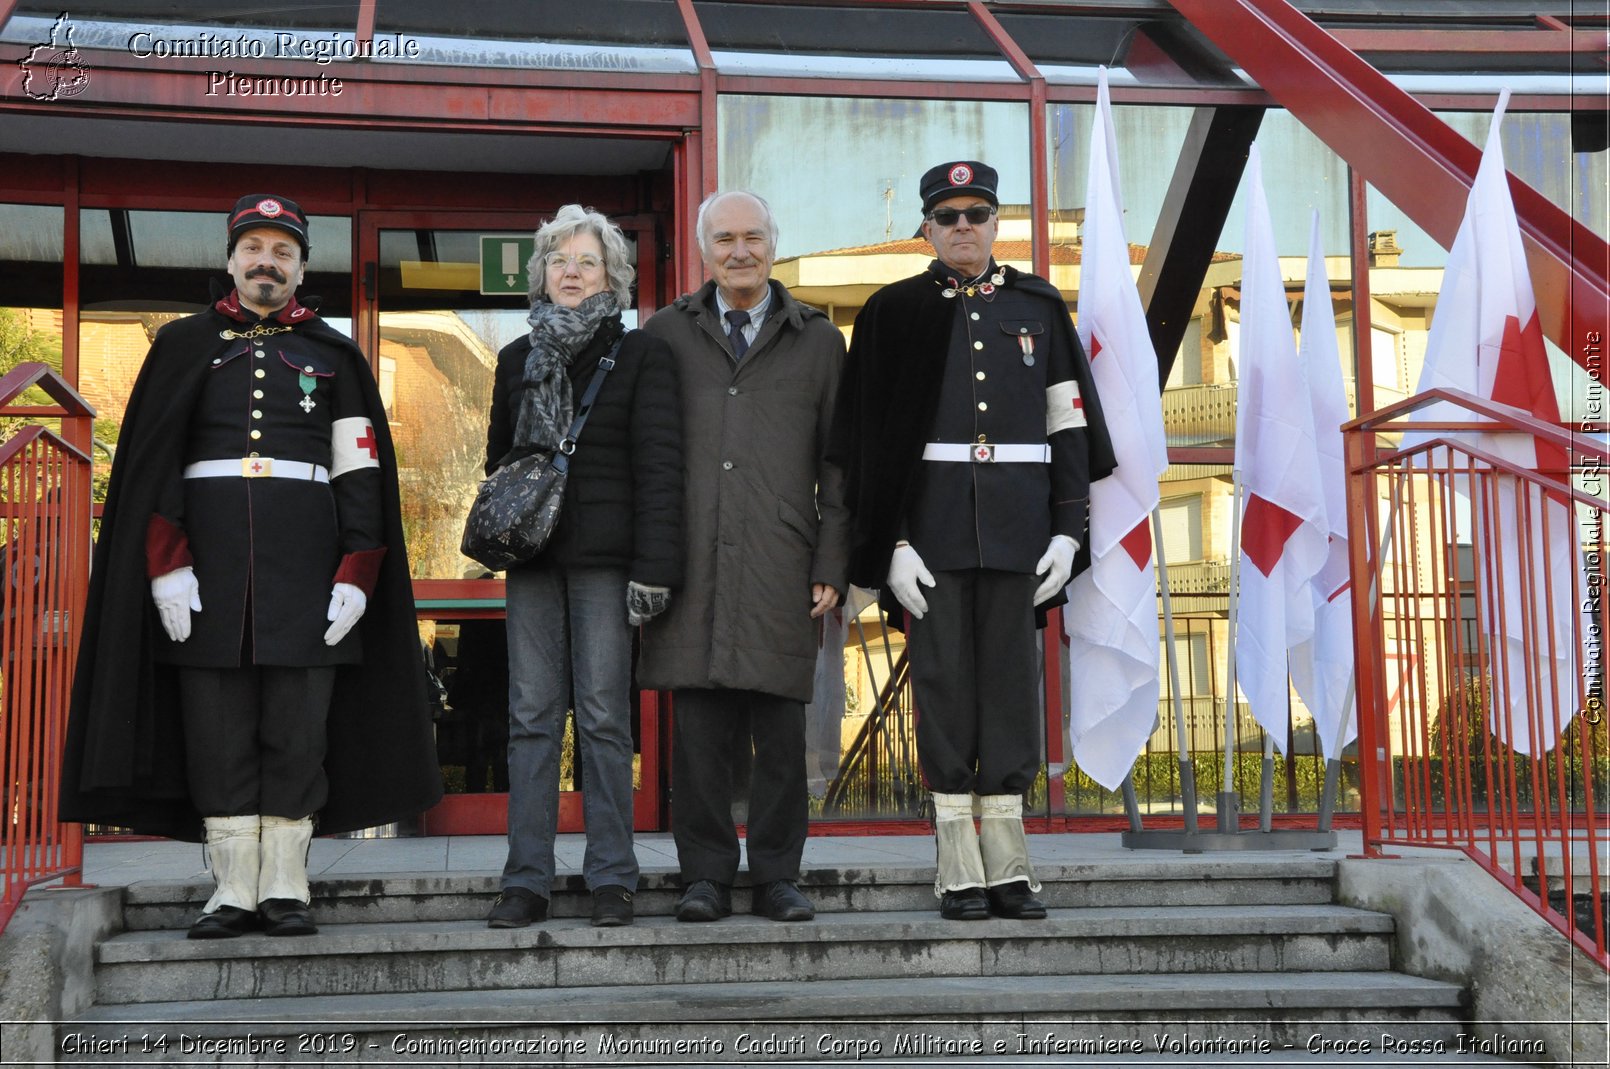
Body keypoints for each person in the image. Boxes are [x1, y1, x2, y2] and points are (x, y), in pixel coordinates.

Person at [60, 193, 442, 938]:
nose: (268, 263)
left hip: (308, 573)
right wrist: (165, 566)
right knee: (217, 730)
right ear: (231, 258)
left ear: (302, 267)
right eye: (255, 249)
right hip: (206, 575)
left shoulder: (334, 356)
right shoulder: (180, 346)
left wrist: (358, 571)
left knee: (298, 730)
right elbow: (153, 466)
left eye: (284, 252)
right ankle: (233, 888)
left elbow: (359, 469)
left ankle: (286, 885)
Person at [829, 161, 1115, 921]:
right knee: (946, 686)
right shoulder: (891, 312)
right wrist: (889, 543)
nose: (963, 226)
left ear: (997, 223)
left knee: (1013, 690)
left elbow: (1069, 425)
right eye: (948, 215)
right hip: (932, 533)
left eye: (976, 214)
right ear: (926, 227)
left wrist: (1067, 530)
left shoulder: (1039, 305)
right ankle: (959, 861)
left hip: (1021, 530)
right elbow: (867, 442)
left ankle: (1011, 865)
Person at [641, 190, 849, 924]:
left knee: (782, 733)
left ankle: (776, 876)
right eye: (724, 238)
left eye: (753, 236)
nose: (739, 250)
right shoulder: (664, 333)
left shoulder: (818, 341)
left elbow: (840, 463)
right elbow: (648, 457)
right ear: (703, 250)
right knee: (697, 732)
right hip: (691, 562)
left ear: (773, 242)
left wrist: (831, 557)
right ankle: (702, 874)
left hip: (782, 564)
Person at [482, 204, 682, 930]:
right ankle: (525, 878)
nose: (571, 272)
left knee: (602, 717)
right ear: (541, 274)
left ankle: (612, 876)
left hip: (607, 564)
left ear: (613, 276)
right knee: (530, 718)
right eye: (559, 261)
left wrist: (654, 567)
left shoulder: (640, 356)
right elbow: (498, 462)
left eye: (586, 262)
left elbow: (661, 467)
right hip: (532, 562)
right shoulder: (514, 359)